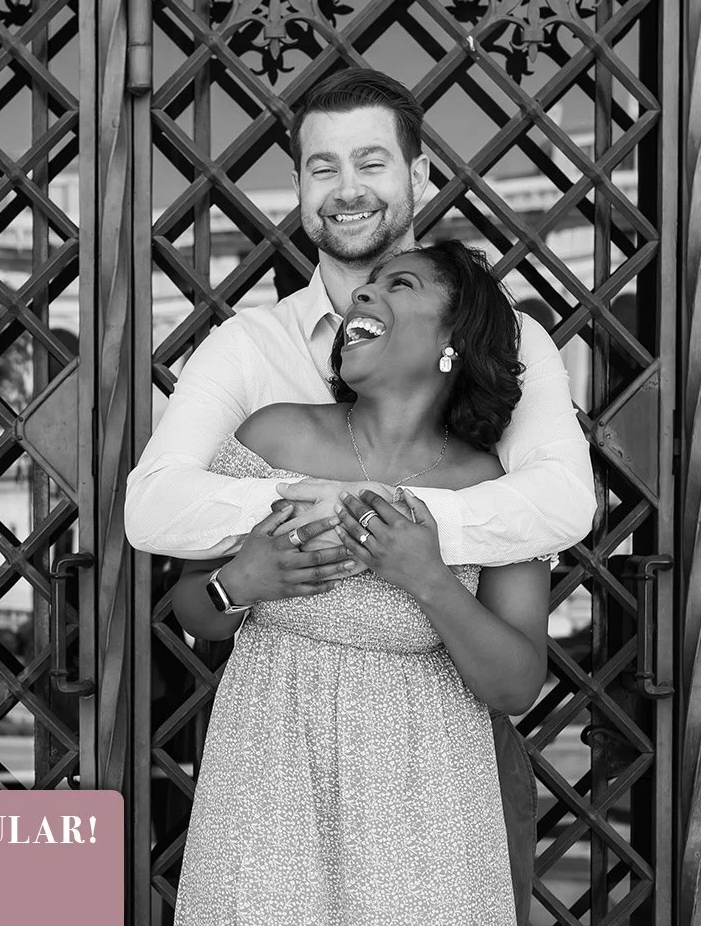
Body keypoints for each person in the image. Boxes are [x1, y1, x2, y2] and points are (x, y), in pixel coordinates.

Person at [126, 69, 594, 920]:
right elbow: (165, 529)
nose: (346, 188)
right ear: (299, 185)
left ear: (418, 175)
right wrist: (249, 570)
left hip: (441, 763)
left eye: (371, 162)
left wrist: (418, 552)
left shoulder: (512, 348)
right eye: (322, 167)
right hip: (270, 759)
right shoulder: (254, 365)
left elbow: (560, 505)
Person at [170, 240, 550, 924]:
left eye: (401, 284)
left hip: (425, 796)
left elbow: (518, 686)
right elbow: (192, 607)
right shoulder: (272, 436)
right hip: (268, 771)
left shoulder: (494, 488)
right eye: (366, 285)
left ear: (455, 339)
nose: (363, 295)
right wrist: (238, 583)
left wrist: (428, 579)